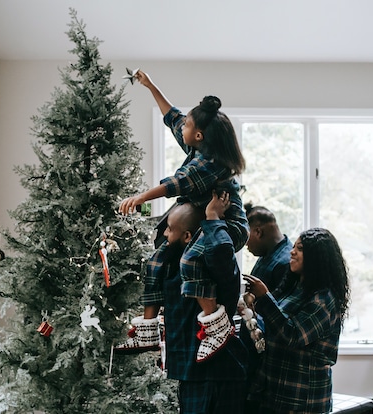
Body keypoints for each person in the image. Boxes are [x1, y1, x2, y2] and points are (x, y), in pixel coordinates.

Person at [115, 70, 248, 361]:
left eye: (189, 125)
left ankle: (217, 326)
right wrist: (150, 85)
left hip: (228, 225)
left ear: (198, 135)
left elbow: (174, 184)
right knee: (156, 260)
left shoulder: (208, 164)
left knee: (190, 260)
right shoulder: (198, 143)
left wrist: (140, 198)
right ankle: (147, 332)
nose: (183, 127)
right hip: (206, 220)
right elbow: (172, 117)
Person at [151, 200, 249, 413]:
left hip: (216, 374)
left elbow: (221, 248)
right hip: (191, 372)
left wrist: (212, 217)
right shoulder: (174, 263)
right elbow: (161, 234)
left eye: (170, 229)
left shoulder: (212, 261)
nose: (165, 234)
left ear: (188, 236)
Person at [244, 227, 351, 414]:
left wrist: (265, 296)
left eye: (300, 248)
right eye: (294, 247)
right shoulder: (295, 288)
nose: (292, 252)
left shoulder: (324, 299)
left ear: (316, 257)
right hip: (276, 389)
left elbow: (293, 335)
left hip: (301, 398)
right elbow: (275, 324)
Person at [239, 203, 293, 412]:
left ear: (258, 231)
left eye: (246, 237)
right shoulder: (267, 257)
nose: (245, 245)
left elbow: (277, 313)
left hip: (267, 357)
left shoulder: (284, 263)